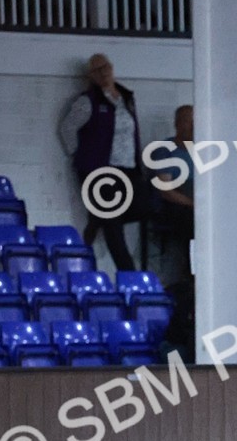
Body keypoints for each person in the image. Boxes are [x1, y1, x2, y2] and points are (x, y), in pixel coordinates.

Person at [59, 52, 148, 270]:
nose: (104, 72)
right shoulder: (87, 101)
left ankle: (97, 219)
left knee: (144, 206)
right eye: (97, 69)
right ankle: (128, 273)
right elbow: (67, 128)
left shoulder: (126, 98)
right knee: (113, 224)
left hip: (128, 168)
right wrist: (80, 154)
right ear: (91, 76)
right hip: (100, 171)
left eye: (106, 66)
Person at [155, 104, 195, 277]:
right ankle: (189, 278)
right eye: (188, 121)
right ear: (177, 124)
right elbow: (166, 190)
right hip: (175, 206)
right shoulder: (165, 150)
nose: (193, 126)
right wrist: (193, 204)